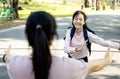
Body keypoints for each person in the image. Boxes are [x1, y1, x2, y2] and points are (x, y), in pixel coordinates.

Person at [3, 11, 113, 79]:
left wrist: (6, 56)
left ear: (27, 35)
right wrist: (106, 60)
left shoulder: (14, 64)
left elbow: (7, 58)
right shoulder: (69, 67)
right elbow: (93, 66)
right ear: (53, 37)